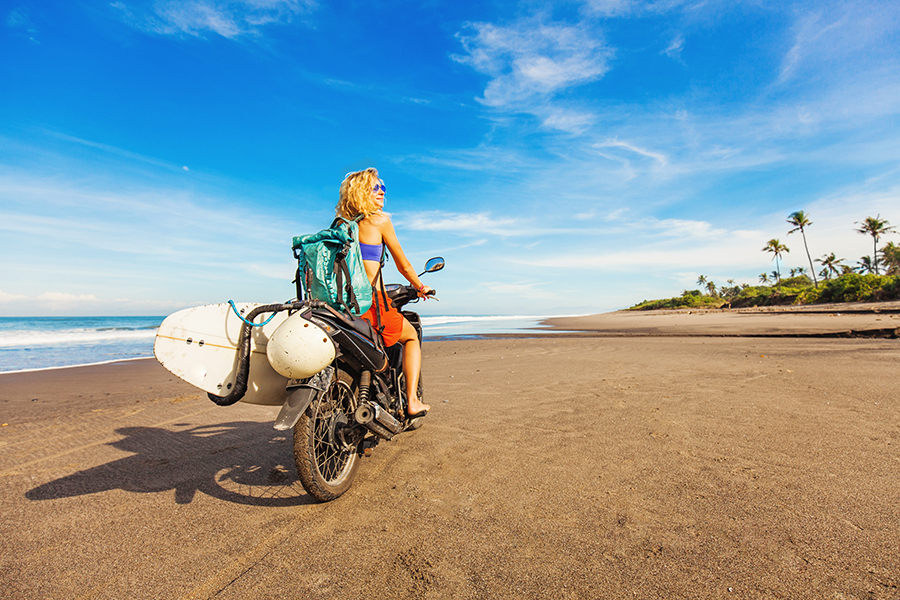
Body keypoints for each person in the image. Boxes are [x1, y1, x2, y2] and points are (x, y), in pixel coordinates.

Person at [336, 168, 432, 418]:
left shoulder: (340, 227)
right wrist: (421, 288)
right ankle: (412, 401)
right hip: (371, 303)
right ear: (361, 193)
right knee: (411, 337)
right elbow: (403, 265)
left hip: (343, 306)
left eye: (383, 188)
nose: (381, 193)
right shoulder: (379, 221)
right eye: (375, 188)